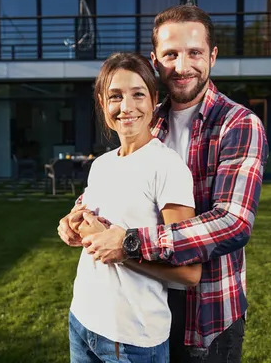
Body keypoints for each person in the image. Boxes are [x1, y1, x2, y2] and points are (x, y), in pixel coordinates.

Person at [59, 5, 269, 362]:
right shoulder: (147, 114)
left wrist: (129, 243)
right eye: (171, 54)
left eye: (195, 53)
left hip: (207, 309)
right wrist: (76, 214)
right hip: (145, 297)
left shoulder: (239, 124)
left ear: (213, 56)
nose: (183, 66)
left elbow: (233, 221)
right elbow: (123, 180)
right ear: (156, 61)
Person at [68, 51, 204, 363]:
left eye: (138, 94)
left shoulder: (168, 168)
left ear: (154, 100)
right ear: (103, 105)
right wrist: (71, 222)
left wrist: (124, 254)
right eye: (115, 96)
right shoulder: (102, 164)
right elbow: (93, 222)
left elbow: (190, 272)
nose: (126, 107)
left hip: (132, 340)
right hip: (82, 320)